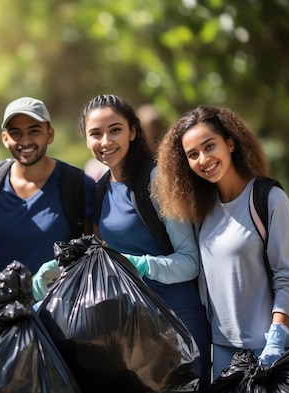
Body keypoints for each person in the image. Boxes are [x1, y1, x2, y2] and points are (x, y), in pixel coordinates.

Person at [33, 94, 211, 391]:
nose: (106, 141)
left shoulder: (157, 181)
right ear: (86, 139)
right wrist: (58, 266)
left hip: (179, 326)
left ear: (132, 131)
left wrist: (140, 264)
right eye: (96, 133)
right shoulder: (101, 189)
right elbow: (105, 255)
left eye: (115, 130)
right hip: (135, 330)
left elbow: (189, 263)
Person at [153, 105, 289, 380]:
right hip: (227, 355)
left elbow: (286, 278)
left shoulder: (268, 199)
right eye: (193, 155)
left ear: (230, 143)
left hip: (279, 350)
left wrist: (275, 341)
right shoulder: (202, 211)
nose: (203, 159)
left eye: (209, 146)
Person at [0, 96, 95, 278]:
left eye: (34, 131)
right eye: (16, 133)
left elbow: (96, 251)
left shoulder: (77, 185)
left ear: (50, 135)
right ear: (5, 138)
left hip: (58, 303)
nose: (25, 141)